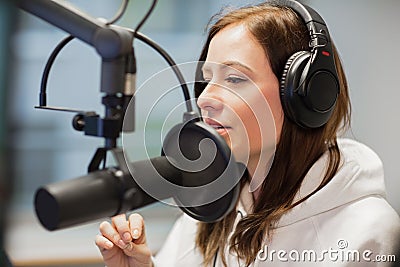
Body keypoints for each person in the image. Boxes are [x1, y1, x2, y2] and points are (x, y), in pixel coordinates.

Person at [95, 1, 400, 266]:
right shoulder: (209, 213)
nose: (204, 99)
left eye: (235, 78)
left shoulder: (367, 232)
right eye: (206, 80)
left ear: (305, 97)